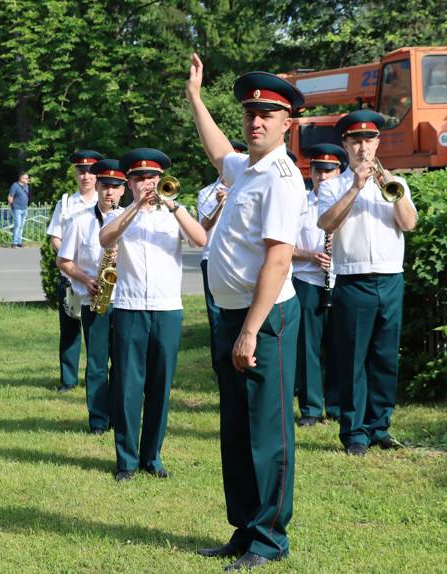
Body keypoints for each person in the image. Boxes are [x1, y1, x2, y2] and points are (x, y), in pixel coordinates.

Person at [186, 53, 307, 571]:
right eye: (249, 114)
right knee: (236, 428)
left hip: (265, 320)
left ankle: (271, 538)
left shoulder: (281, 177)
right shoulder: (248, 167)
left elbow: (279, 259)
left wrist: (251, 331)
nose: (255, 122)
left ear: (286, 124)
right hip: (230, 312)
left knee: (267, 430)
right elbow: (219, 153)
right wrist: (194, 95)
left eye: (267, 115)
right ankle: (245, 528)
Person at [98, 148, 206, 482]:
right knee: (129, 385)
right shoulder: (121, 213)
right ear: (129, 183)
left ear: (161, 180)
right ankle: (126, 460)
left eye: (152, 178)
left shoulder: (174, 212)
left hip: (167, 308)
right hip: (130, 308)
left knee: (160, 385)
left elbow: (201, 239)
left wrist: (171, 205)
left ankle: (152, 456)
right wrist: (135, 208)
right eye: (140, 178)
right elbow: (105, 239)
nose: (147, 183)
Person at [317, 109, 417, 456]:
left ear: (378, 142)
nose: (363, 147)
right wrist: (357, 187)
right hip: (354, 278)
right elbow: (327, 224)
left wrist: (390, 189)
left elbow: (409, 223)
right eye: (356, 140)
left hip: (390, 277)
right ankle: (354, 432)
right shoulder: (333, 185)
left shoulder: (395, 183)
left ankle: (380, 427)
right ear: (345, 143)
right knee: (352, 359)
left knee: (384, 357)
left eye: (369, 140)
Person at [56, 159, 127, 435]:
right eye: (105, 186)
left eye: (116, 187)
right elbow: (64, 260)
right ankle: (98, 419)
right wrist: (86, 280)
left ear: (123, 190)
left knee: (122, 364)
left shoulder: (132, 218)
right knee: (97, 363)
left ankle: (121, 416)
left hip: (125, 302)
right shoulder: (80, 221)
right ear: (97, 187)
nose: (110, 192)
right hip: (93, 300)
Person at [291, 143, 346, 427]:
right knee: (307, 347)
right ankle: (311, 408)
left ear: (339, 172)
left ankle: (336, 405)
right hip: (306, 281)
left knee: (339, 345)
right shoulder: (298, 201)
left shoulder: (348, 199)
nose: (323, 177)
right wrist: (309, 256)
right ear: (309, 172)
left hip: (341, 280)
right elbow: (280, 246)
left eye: (329, 171)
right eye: (318, 170)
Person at [46, 150, 103, 393]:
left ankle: (96, 375)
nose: (86, 176)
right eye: (81, 171)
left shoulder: (106, 201)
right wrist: (70, 261)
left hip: (97, 277)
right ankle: (68, 380)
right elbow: (55, 238)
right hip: (70, 276)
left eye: (90, 171)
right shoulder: (66, 202)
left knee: (96, 331)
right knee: (69, 330)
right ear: (76, 174)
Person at [197, 139, 247, 376]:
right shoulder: (206, 193)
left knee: (242, 314)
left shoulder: (249, 187)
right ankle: (222, 367)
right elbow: (202, 230)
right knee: (216, 316)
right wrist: (219, 205)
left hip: (240, 259)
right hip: (212, 258)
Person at [8, 172, 31, 248]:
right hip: (17, 208)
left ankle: (19, 242)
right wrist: (11, 206)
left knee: (21, 226)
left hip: (25, 208)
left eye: (28, 178)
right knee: (17, 225)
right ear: (21, 178)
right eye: (26, 178)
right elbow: (10, 197)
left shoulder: (26, 186)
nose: (28, 179)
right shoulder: (15, 186)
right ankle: (14, 243)